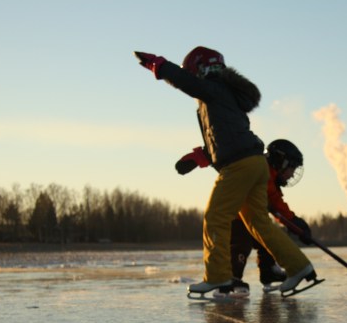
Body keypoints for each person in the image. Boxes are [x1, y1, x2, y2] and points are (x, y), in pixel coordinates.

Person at [135, 46, 320, 297]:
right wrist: (199, 157)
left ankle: (219, 276)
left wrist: (159, 66)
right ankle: (298, 266)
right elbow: (225, 135)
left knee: (216, 218)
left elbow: (186, 84)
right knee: (258, 223)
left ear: (198, 69)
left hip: (239, 165)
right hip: (254, 163)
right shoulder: (224, 95)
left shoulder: (213, 88)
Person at [229, 139, 312, 291]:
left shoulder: (271, 178)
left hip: (253, 221)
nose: (293, 174)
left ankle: (268, 272)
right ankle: (231, 278)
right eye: (292, 168)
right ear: (281, 162)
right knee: (242, 240)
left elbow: (276, 203)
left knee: (267, 239)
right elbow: (274, 202)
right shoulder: (263, 172)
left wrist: (294, 222)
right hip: (236, 218)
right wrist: (292, 221)